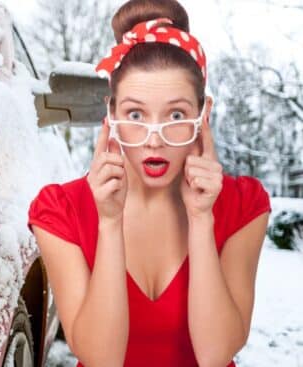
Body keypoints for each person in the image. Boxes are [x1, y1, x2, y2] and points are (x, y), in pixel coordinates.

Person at [27, 1, 272, 366]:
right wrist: (109, 223)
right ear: (111, 115)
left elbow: (215, 354)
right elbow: (100, 358)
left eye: (175, 114)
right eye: (136, 114)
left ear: (202, 115)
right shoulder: (60, 210)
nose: (153, 139)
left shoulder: (243, 205)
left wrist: (202, 220)